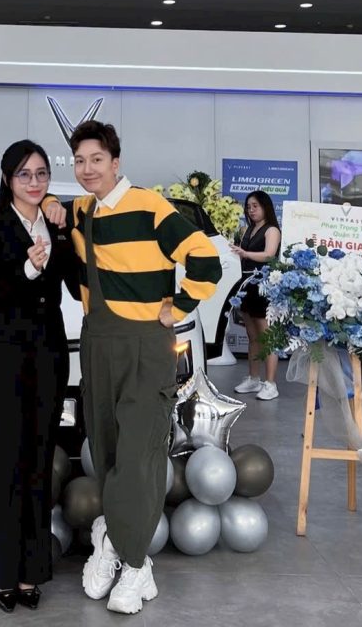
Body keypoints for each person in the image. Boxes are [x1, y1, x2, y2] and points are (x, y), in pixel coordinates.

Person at [46, 120, 222, 615]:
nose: (87, 169)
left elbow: (206, 259)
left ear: (116, 162)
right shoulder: (81, 211)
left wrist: (177, 307)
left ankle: (135, 562)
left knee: (138, 458)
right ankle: (112, 539)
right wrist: (50, 203)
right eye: (79, 161)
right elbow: (49, 209)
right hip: (97, 344)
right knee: (106, 452)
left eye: (97, 160)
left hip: (146, 347)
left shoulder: (150, 207)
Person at [0, 139, 79, 614]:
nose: (34, 182)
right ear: (8, 180)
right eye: (24, 174)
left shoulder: (57, 224)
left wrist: (67, 231)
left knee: (40, 459)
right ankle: (2, 573)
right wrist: (28, 266)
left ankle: (31, 572)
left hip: (49, 355)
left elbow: (77, 285)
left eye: (41, 173)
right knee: (8, 462)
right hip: (6, 356)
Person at [230, 190, 282, 400]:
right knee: (252, 336)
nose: (251, 210)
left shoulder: (272, 230)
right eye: (248, 206)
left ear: (265, 207)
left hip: (263, 287)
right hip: (246, 286)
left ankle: (270, 383)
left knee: (266, 337)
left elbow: (269, 255)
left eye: (255, 206)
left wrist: (245, 253)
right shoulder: (248, 229)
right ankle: (253, 378)